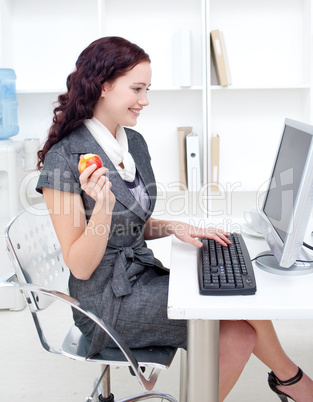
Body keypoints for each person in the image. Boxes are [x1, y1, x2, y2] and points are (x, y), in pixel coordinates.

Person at [36, 36, 313, 401]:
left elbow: (128, 225)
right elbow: (81, 267)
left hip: (139, 277)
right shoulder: (65, 159)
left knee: (238, 304)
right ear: (103, 86)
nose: (145, 100)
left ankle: (291, 382)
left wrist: (174, 227)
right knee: (239, 326)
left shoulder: (132, 144)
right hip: (105, 301)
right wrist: (101, 207)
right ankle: (295, 384)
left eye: (147, 89)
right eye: (137, 89)